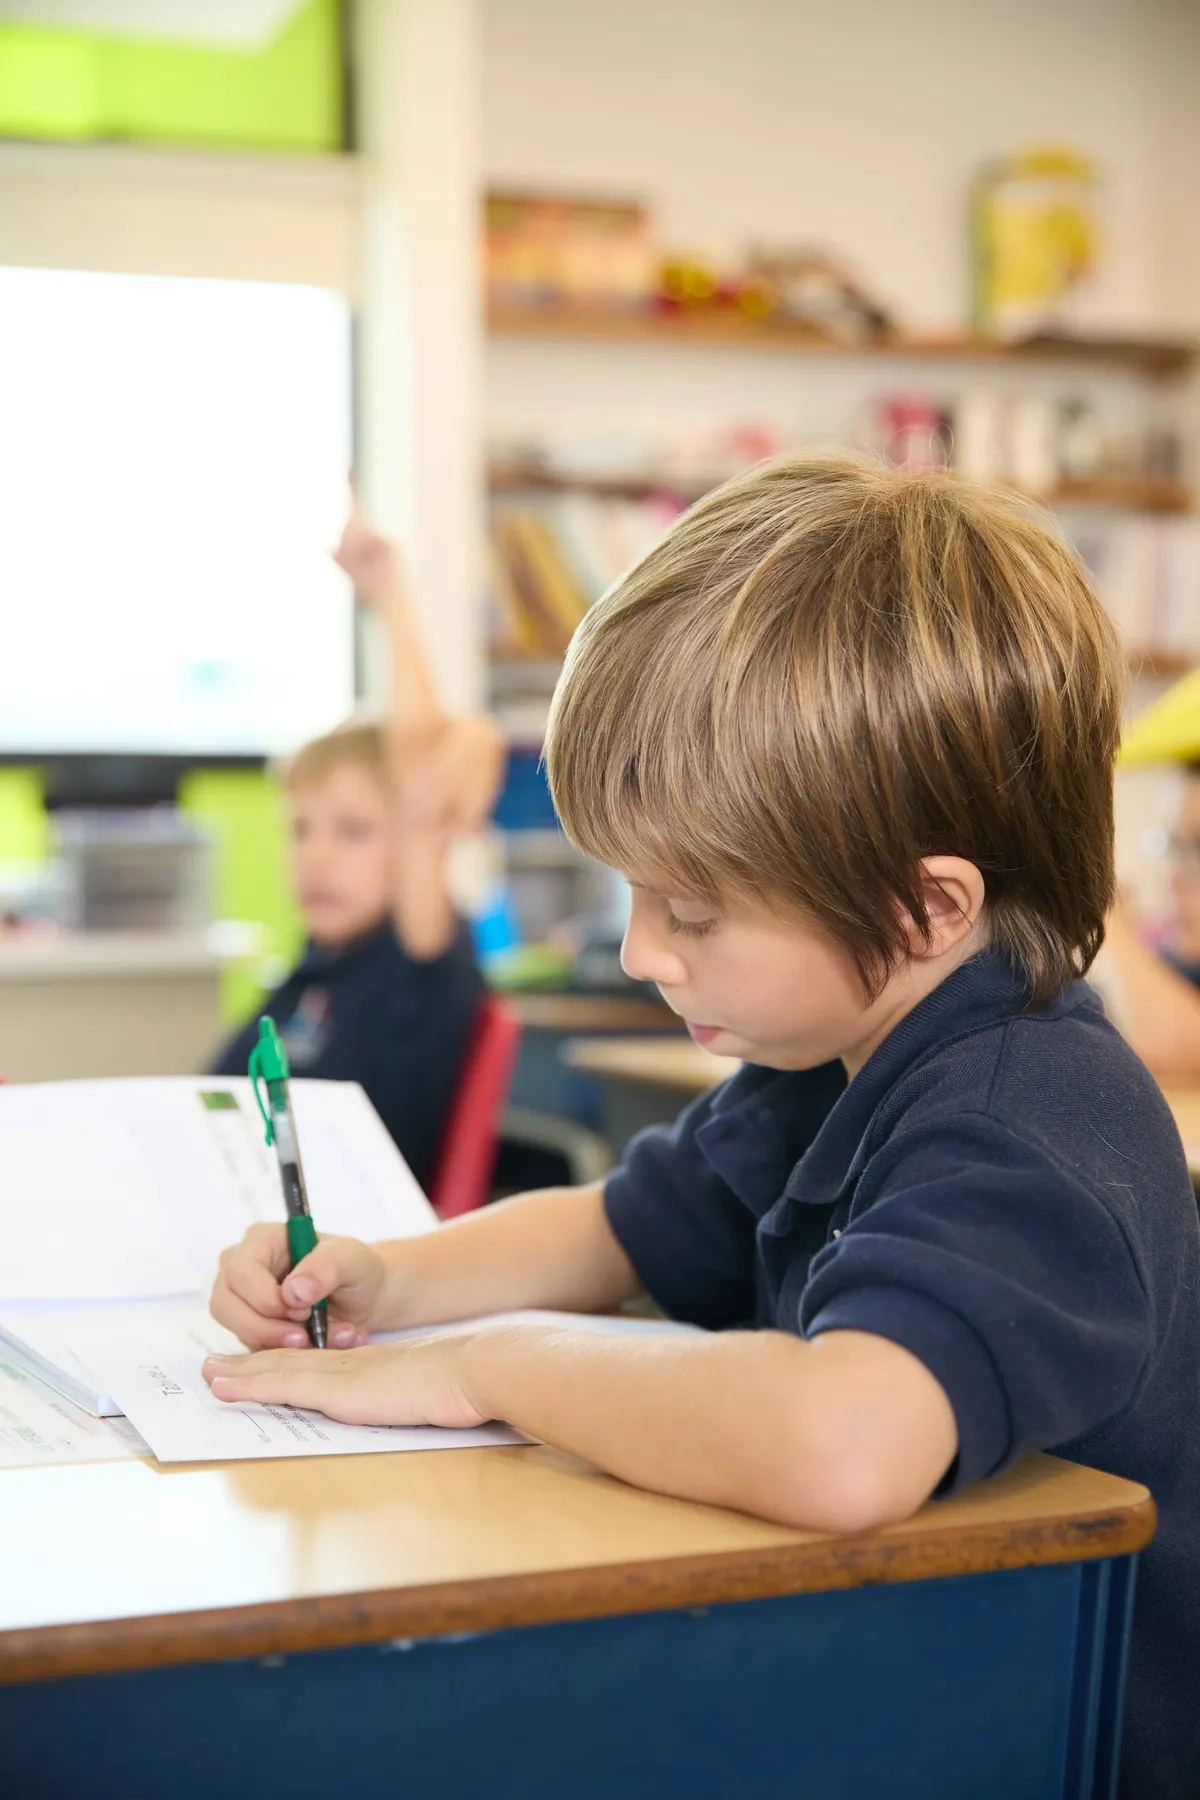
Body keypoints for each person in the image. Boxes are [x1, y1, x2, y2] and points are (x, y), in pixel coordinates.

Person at [206, 458, 1200, 1797]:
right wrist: (391, 1276)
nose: (635, 954)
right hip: (899, 1675)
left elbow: (843, 1442)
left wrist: (497, 1365)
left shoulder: (1033, 1115)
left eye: (694, 911)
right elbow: (616, 1227)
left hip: (1049, 1739)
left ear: (925, 909)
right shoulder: (827, 1060)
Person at [210, 505, 504, 1190]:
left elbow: (417, 768)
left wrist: (388, 596)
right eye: (301, 829)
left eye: (353, 831)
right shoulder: (314, 973)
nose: (315, 856)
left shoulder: (417, 960)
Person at [1096, 767, 1200, 1082]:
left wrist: (1107, 913)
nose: (1175, 878)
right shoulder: (1180, 967)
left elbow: (1182, 1046)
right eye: (1179, 847)